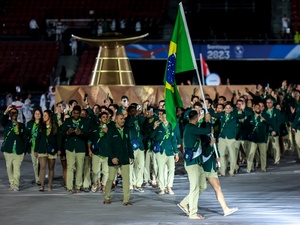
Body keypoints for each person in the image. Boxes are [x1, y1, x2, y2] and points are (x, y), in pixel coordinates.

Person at [177, 110, 211, 219]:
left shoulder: (191, 127)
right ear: (196, 118)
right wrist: (207, 121)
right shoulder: (190, 128)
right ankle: (193, 213)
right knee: (195, 188)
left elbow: (202, 130)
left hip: (198, 162)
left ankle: (184, 203)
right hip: (192, 163)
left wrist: (203, 120)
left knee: (202, 186)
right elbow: (207, 130)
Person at [201, 133, 239, 216]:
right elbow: (205, 153)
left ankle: (225, 209)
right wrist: (211, 144)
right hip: (206, 167)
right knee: (199, 189)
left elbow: (214, 150)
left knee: (217, 188)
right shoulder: (202, 138)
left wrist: (217, 157)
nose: (212, 130)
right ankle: (185, 203)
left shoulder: (210, 137)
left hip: (211, 167)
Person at [104, 113, 134, 205]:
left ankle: (126, 200)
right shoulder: (111, 131)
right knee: (111, 178)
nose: (123, 120)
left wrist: (131, 156)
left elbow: (129, 143)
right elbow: (108, 145)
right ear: (116, 120)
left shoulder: (126, 130)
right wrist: (112, 157)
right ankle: (107, 197)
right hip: (114, 159)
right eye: (121, 119)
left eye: (124, 119)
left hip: (124, 158)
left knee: (126, 179)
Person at [61, 105, 90, 194]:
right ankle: (69, 187)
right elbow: (62, 133)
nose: (76, 115)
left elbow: (88, 135)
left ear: (80, 113)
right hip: (70, 147)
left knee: (80, 167)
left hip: (80, 147)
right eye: (74, 113)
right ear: (72, 113)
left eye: (78, 113)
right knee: (70, 167)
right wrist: (67, 132)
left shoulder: (85, 122)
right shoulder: (68, 121)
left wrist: (81, 133)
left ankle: (78, 186)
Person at [150, 110, 179, 195]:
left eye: (166, 117)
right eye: (163, 117)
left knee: (171, 169)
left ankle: (169, 186)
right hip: (161, 152)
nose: (165, 119)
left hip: (170, 152)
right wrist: (154, 128)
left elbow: (174, 141)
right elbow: (151, 136)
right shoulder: (158, 127)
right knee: (161, 169)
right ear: (161, 118)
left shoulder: (171, 127)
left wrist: (176, 153)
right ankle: (162, 188)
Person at [1, 105, 27, 191]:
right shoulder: (7, 124)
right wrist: (6, 110)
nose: (14, 114)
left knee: (17, 170)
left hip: (18, 152)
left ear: (17, 114)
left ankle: (16, 185)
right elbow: (2, 120)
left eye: (15, 112)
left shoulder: (22, 125)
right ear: (9, 114)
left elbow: (25, 139)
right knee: (9, 168)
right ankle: (11, 183)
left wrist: (24, 150)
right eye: (12, 113)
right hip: (8, 151)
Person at [34, 110, 62, 191]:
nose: (44, 117)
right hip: (42, 149)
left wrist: (59, 149)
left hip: (52, 149)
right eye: (43, 115)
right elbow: (38, 139)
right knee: (42, 167)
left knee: (51, 168)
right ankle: (42, 185)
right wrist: (36, 150)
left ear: (49, 116)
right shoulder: (41, 126)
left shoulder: (55, 126)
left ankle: (50, 185)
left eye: (45, 115)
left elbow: (58, 138)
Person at [26, 109, 43, 186]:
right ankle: (37, 179)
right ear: (34, 115)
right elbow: (27, 135)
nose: (37, 115)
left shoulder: (43, 124)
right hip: (32, 146)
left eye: (39, 113)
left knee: (40, 163)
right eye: (36, 113)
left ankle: (40, 176)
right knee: (34, 163)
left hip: (40, 146)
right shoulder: (29, 124)